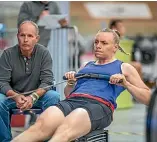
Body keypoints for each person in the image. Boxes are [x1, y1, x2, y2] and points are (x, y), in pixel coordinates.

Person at [12, 28, 151, 142]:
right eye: (96, 42)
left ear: (115, 47)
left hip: (99, 106)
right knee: (39, 126)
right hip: (73, 101)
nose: (98, 46)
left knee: (64, 131)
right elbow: (68, 94)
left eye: (104, 43)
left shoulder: (124, 67)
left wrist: (126, 84)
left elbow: (149, 98)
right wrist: (71, 83)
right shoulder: (86, 66)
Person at [0, 21, 60, 142]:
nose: (25, 39)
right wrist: (15, 96)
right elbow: (1, 82)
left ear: (37, 38)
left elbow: (48, 81)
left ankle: (48, 139)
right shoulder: (7, 54)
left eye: (30, 36)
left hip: (38, 96)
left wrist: (33, 97)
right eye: (22, 35)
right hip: (14, 97)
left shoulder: (44, 53)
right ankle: (5, 140)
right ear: (17, 36)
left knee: (54, 96)